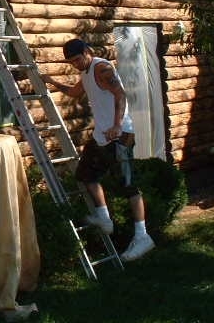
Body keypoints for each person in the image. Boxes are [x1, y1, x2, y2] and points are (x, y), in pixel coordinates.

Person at [42, 38, 155, 262]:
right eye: (71, 61)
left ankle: (143, 236)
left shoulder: (102, 67)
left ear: (87, 51)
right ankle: (104, 219)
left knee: (129, 186)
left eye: (77, 59)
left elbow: (120, 94)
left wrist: (117, 124)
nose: (75, 64)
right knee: (85, 175)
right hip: (102, 136)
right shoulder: (86, 73)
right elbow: (75, 93)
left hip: (120, 135)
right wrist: (51, 81)